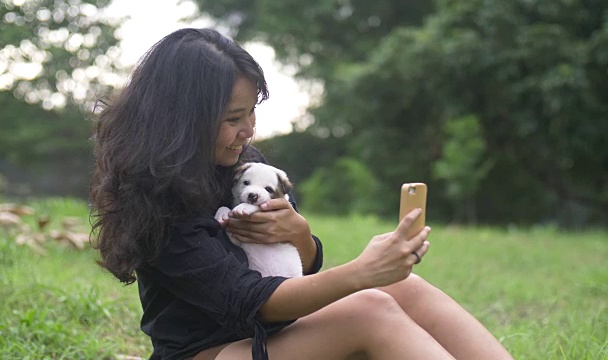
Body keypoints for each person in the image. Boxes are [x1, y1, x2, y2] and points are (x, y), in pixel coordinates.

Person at [90, 28, 513, 360]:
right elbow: (252, 302)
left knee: (407, 288)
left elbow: (296, 273)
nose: (249, 129)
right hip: (212, 352)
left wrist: (301, 237)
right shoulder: (154, 198)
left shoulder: (238, 167)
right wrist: (362, 273)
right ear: (184, 121)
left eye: (252, 110)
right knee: (371, 311)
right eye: (234, 117)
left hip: (270, 336)